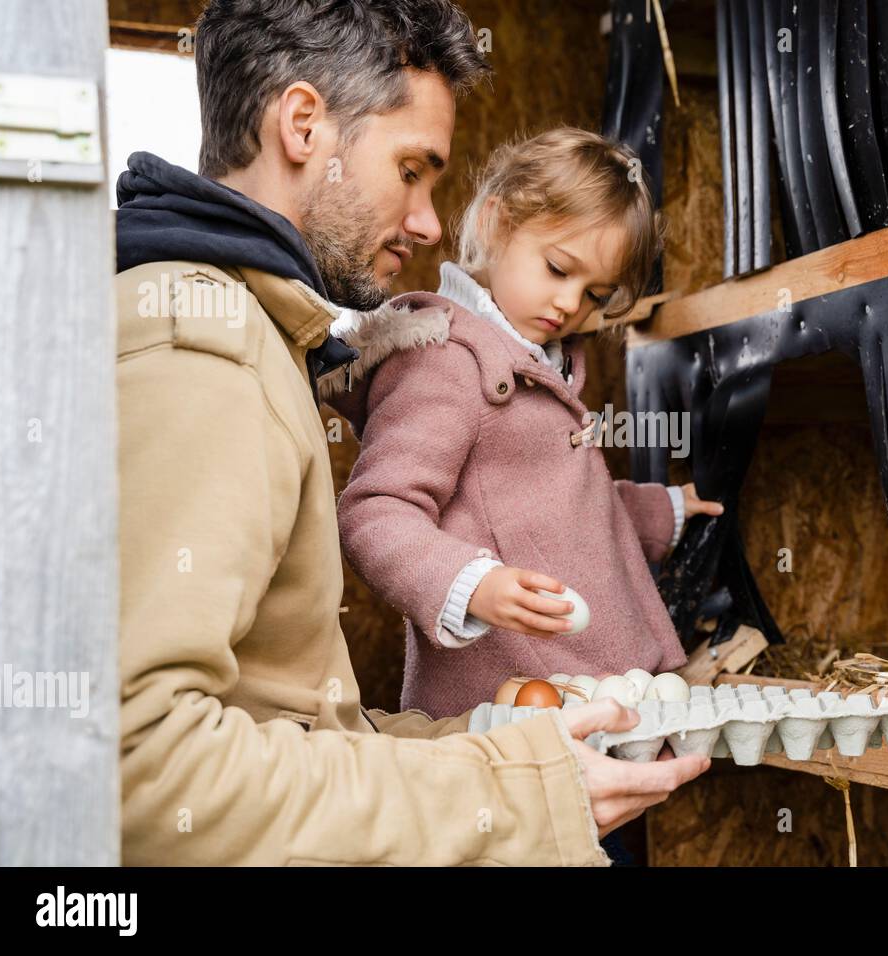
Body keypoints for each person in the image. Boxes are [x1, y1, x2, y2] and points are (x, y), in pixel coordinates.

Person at [113, 0, 708, 866]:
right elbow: (146, 776)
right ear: (304, 125)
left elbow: (288, 727)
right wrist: (508, 795)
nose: (432, 223)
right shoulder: (202, 353)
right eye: (413, 170)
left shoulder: (255, 335)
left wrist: (513, 765)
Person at [330, 127, 724, 720]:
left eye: (596, 293)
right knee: (537, 811)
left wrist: (657, 510)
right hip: (512, 693)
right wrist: (471, 586)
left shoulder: (541, 361)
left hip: (587, 691)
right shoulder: (447, 360)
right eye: (558, 268)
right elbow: (375, 511)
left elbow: (546, 508)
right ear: (495, 223)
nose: (570, 305)